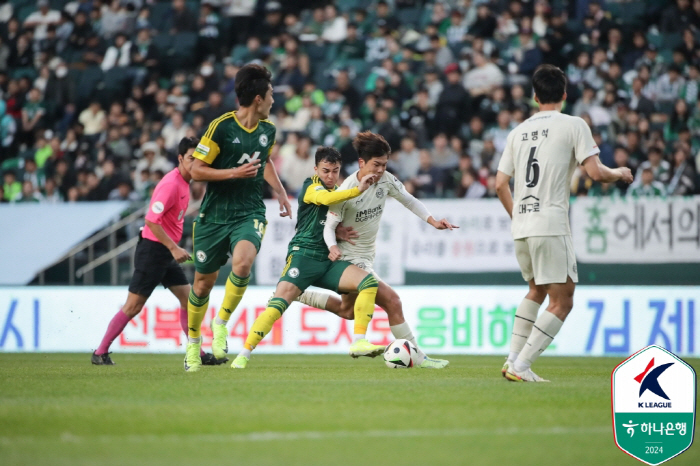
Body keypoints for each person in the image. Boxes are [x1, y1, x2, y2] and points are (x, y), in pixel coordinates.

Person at [495, 65, 633, 382]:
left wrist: (517, 216)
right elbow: (596, 173)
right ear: (565, 96)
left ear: (534, 97)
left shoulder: (517, 132)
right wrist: (620, 173)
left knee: (536, 290)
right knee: (563, 300)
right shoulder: (574, 125)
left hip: (522, 225)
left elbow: (500, 184)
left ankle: (512, 359)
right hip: (550, 223)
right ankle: (521, 366)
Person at [295, 131, 457, 369]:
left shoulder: (386, 180)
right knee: (393, 301)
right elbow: (329, 226)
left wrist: (432, 220)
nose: (381, 170)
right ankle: (419, 358)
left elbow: (409, 199)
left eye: (384, 164)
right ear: (362, 163)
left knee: (347, 310)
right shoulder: (348, 189)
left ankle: (301, 294)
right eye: (376, 165)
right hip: (348, 258)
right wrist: (332, 247)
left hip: (365, 257)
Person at [229, 146, 383, 369]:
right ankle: (243, 354)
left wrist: (339, 231)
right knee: (278, 305)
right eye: (326, 170)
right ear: (316, 169)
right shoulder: (311, 186)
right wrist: (358, 189)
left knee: (368, 283)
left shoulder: (339, 190)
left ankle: (359, 342)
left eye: (335, 171)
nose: (330, 176)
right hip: (303, 256)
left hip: (328, 260)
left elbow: (330, 219)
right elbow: (324, 199)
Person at [184, 64, 292, 372]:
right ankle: (193, 345)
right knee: (203, 284)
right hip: (214, 216)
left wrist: (281, 192)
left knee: (243, 263)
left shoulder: (267, 130)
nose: (274, 100)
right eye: (271, 94)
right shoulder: (221, 127)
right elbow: (195, 170)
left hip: (249, 211)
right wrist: (233, 172)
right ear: (258, 98)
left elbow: (265, 160)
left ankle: (221, 323)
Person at [92, 137, 224, 365]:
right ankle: (100, 352)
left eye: (200, 159)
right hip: (154, 251)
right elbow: (152, 220)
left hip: (165, 252)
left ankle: (198, 354)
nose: (196, 163)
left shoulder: (185, 182)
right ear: (181, 159)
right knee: (133, 306)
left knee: (188, 300)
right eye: (192, 158)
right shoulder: (172, 184)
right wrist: (173, 248)